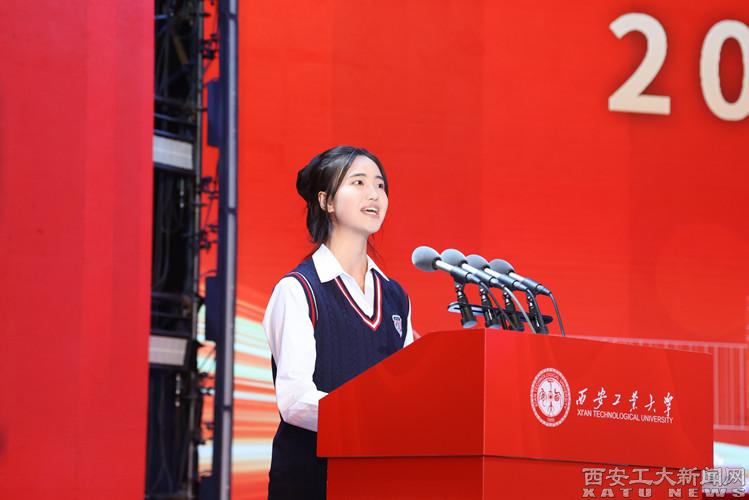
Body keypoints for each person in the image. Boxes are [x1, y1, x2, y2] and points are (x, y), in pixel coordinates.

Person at [263, 145, 414, 499]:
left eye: (380, 185)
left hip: (376, 480)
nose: (373, 194)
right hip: (311, 482)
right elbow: (295, 401)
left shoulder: (396, 297)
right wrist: (371, 422)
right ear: (327, 201)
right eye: (358, 182)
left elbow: (407, 389)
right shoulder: (298, 290)